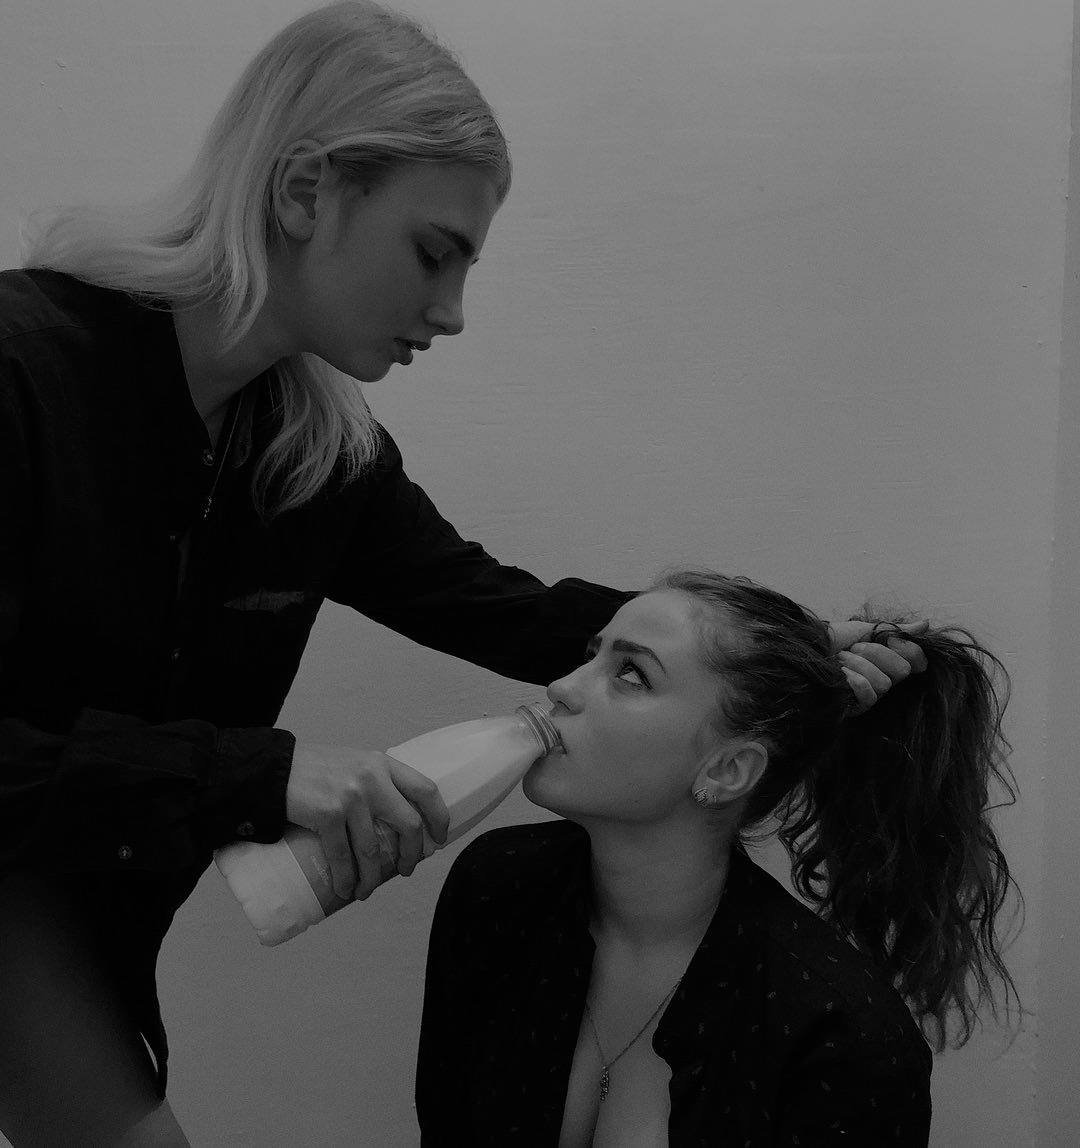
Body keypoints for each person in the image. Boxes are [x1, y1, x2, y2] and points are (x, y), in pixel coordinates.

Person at [0, 3, 924, 1144]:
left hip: (68, 928)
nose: (452, 311)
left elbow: (494, 605)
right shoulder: (23, 372)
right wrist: (257, 773)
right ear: (304, 190)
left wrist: (753, 662)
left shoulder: (312, 456)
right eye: (433, 252)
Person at [416, 569, 1020, 1146]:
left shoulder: (838, 1034)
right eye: (590, 654)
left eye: (630, 674)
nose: (562, 687)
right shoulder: (497, 888)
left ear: (727, 770)